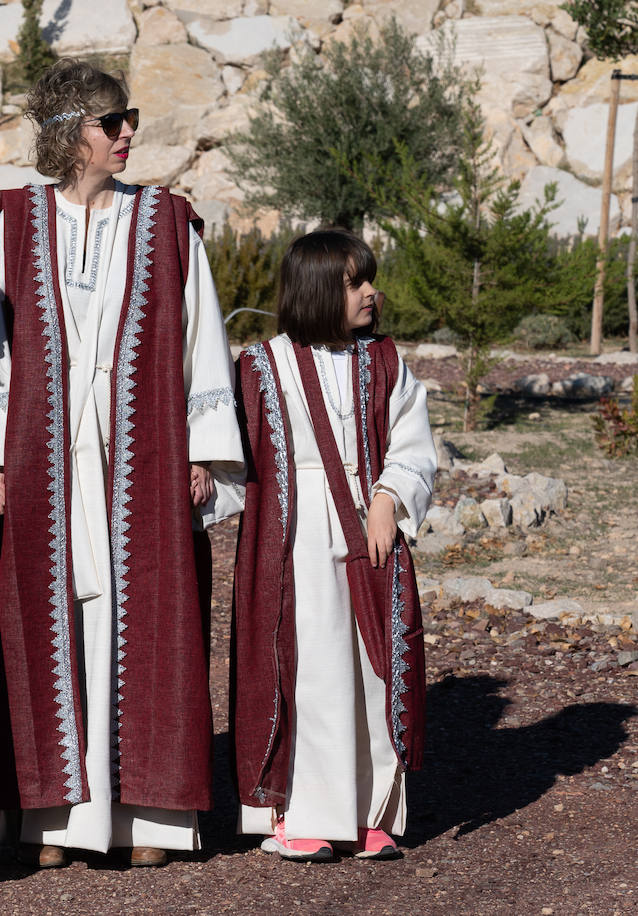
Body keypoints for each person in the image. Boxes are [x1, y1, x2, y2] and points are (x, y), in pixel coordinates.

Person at [0, 59, 244, 867]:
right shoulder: (15, 222)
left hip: (143, 453)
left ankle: (147, 816)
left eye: (130, 119)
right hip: (41, 454)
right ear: (66, 133)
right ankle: (52, 820)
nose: (127, 134)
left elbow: (202, 342)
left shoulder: (166, 221)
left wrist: (205, 452)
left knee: (146, 618)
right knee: (44, 619)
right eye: (110, 121)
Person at [230, 229, 436, 862]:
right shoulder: (263, 366)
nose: (372, 292)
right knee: (309, 667)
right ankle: (299, 813)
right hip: (291, 535)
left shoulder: (384, 361)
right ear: (319, 290)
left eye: (369, 279)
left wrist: (387, 499)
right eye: (355, 282)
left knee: (370, 669)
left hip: (367, 527)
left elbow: (411, 441)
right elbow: (230, 452)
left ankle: (369, 812)